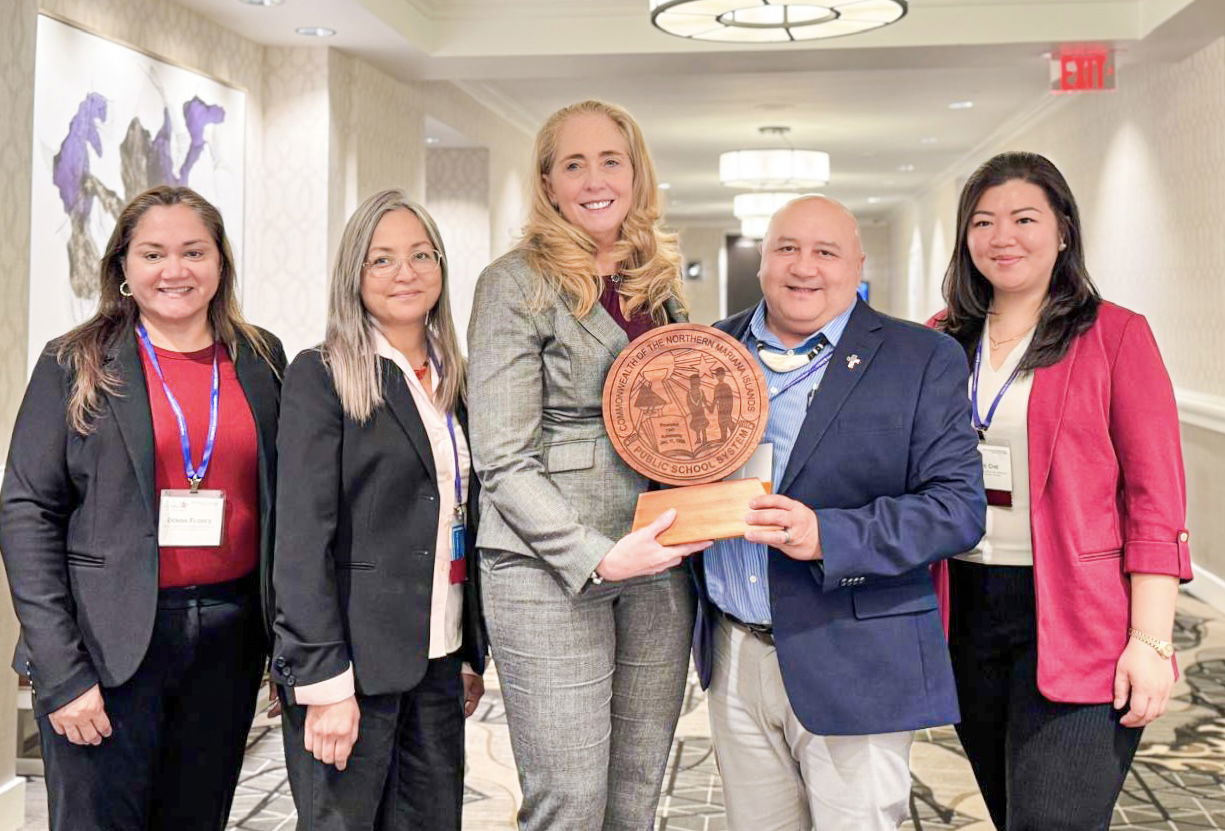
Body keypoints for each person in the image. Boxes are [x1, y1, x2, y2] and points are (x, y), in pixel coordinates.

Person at [692, 194, 986, 831]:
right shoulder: (711, 349)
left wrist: (829, 534)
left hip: (858, 652)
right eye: (787, 249)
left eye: (826, 252)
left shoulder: (921, 358)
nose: (805, 267)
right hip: (734, 650)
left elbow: (957, 509)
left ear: (856, 265)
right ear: (763, 260)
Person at [0, 185, 285, 830]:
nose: (175, 270)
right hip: (104, 645)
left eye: (194, 252)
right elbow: (26, 513)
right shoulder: (76, 361)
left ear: (220, 265)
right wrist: (62, 672)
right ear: (124, 268)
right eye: (153, 253)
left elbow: (286, 505)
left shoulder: (262, 357)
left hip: (229, 638)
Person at [467, 99, 710, 830]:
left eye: (611, 160)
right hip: (550, 568)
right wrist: (601, 557)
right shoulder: (512, 283)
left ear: (636, 174)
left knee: (636, 793)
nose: (594, 178)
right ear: (546, 181)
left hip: (659, 558)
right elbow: (502, 459)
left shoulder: (658, 284)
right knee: (568, 798)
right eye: (573, 163)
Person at [932, 151, 1191, 830]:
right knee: (1010, 809)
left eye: (1023, 218)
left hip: (1080, 615)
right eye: (982, 221)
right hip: (960, 609)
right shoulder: (938, 341)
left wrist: (1152, 640)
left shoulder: (1113, 336)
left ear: (1063, 230)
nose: (1001, 237)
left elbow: (1154, 499)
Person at [272, 190, 486, 830]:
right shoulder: (324, 374)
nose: (406, 273)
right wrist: (324, 682)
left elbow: (461, 520)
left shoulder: (456, 378)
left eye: (422, 255)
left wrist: (469, 649)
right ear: (353, 276)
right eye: (382, 260)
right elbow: (301, 539)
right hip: (351, 669)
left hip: (439, 659)